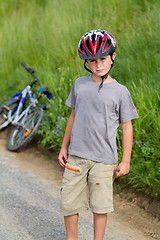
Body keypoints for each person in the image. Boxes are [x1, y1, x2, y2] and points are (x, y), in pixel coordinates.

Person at [58, 29, 139, 240]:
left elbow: (127, 126)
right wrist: (64, 147)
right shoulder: (79, 85)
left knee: (100, 205)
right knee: (69, 202)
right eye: (92, 60)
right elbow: (73, 116)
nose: (98, 64)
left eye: (102, 58)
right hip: (76, 155)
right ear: (86, 62)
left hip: (104, 160)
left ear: (113, 57)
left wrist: (126, 160)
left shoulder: (121, 92)